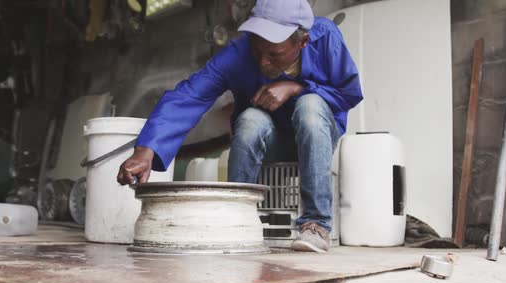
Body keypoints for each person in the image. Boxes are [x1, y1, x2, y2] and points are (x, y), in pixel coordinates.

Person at [117, 0, 363, 253]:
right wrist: (146, 149)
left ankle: (315, 225)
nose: (264, 63)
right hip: (268, 144)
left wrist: (297, 88)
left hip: (317, 137)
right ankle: (237, 219)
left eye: (274, 55)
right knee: (250, 119)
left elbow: (349, 93)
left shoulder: (325, 37)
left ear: (302, 42)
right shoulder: (239, 53)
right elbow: (189, 95)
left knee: (310, 104)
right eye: (258, 52)